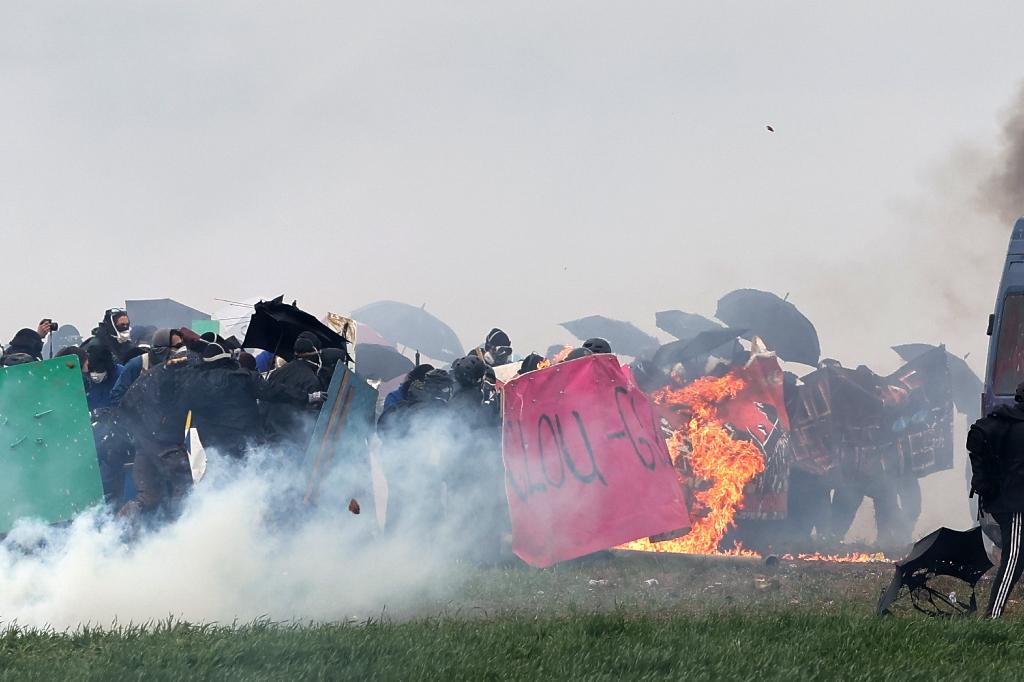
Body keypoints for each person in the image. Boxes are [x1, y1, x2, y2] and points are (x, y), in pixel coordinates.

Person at [968, 381, 1024, 618]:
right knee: (1014, 558)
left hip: (1007, 501)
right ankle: (992, 616)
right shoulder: (1018, 427)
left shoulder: (1006, 421)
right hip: (1016, 504)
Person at [377, 368, 455, 535]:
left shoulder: (407, 405)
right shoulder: (415, 407)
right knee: (413, 504)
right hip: (405, 462)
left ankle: (396, 541)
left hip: (397, 460)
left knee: (402, 503)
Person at [178, 342, 263, 459]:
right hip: (246, 441)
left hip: (212, 444)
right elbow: (273, 393)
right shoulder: (244, 377)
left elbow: (181, 407)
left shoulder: (192, 382)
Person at [261, 332, 330, 458]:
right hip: (293, 442)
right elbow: (311, 420)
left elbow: (265, 403)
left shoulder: (276, 373)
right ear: (316, 352)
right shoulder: (311, 380)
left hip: (270, 439)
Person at [109, 328, 183, 406]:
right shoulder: (137, 364)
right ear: (163, 349)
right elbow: (117, 396)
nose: (180, 350)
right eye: (177, 346)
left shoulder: (179, 366)